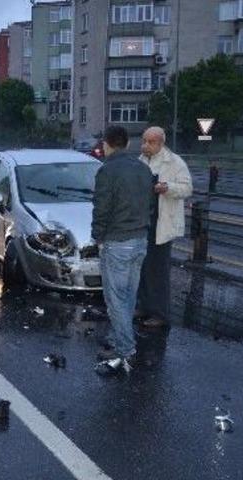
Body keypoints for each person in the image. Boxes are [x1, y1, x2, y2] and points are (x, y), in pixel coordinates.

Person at [92, 126, 154, 370]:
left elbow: (102, 207)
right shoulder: (143, 168)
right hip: (140, 240)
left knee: (115, 299)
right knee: (128, 295)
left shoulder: (107, 170)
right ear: (127, 144)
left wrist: (97, 236)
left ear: (106, 144)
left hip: (118, 241)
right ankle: (120, 337)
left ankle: (124, 348)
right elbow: (150, 203)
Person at [136, 127, 193, 328]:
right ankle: (143, 306)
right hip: (143, 221)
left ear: (160, 143)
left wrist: (168, 188)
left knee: (158, 271)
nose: (145, 145)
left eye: (150, 142)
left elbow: (187, 188)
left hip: (162, 223)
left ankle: (160, 314)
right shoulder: (142, 160)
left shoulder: (175, 162)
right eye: (144, 140)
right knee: (142, 267)